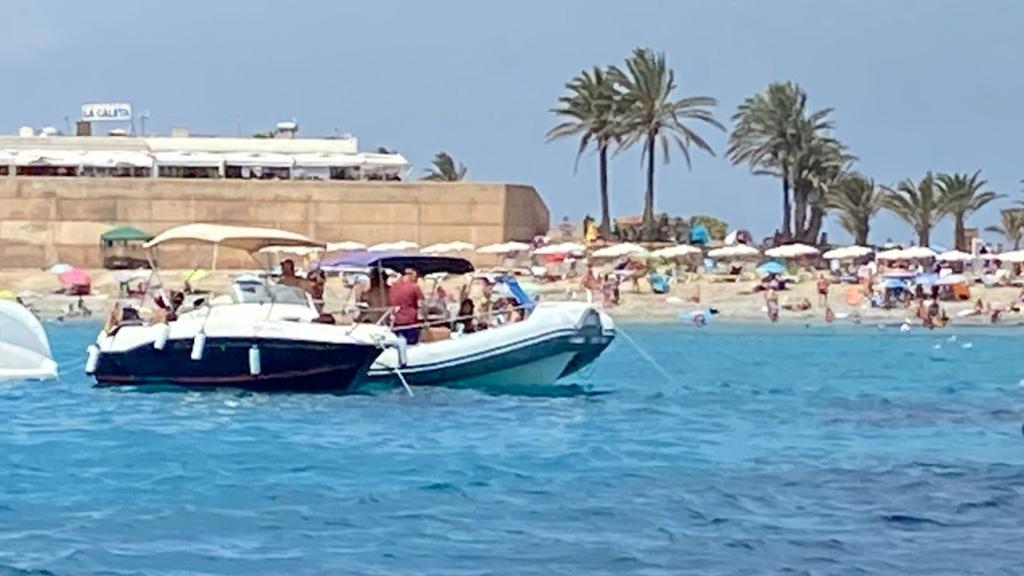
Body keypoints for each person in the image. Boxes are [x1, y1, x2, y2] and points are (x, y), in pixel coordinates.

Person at [388, 267, 425, 344]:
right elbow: (420, 305)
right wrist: (424, 320)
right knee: (412, 344)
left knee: (399, 344)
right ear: (412, 275)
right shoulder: (414, 287)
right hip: (410, 320)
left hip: (396, 320)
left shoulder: (393, 286)